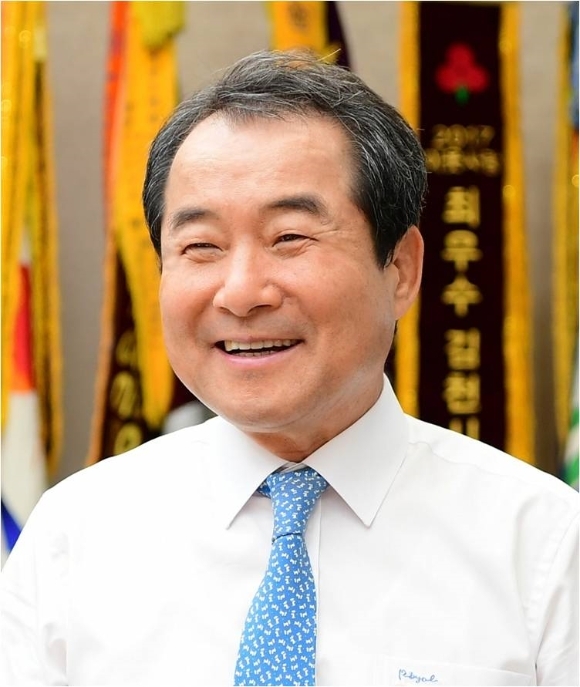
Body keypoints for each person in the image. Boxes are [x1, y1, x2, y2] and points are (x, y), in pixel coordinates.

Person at [1, 50, 578, 687]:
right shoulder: (73, 536)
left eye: (289, 238)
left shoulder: (545, 547)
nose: (241, 293)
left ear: (400, 269)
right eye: (201, 246)